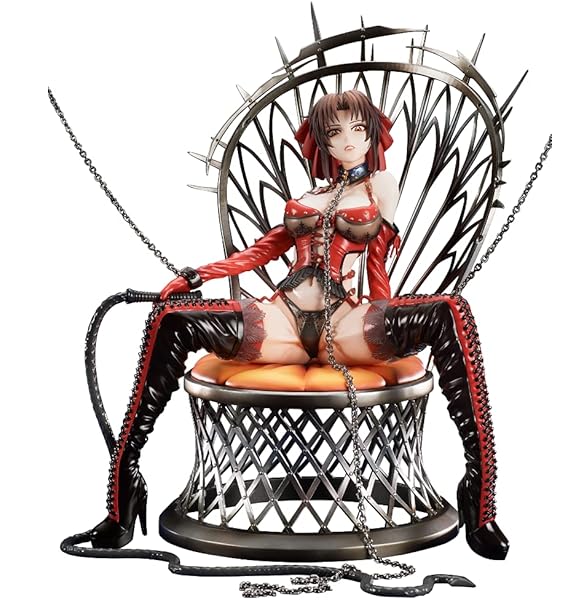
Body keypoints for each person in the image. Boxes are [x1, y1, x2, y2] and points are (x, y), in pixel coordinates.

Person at [89, 90, 509, 560]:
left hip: (346, 322)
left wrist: (385, 314)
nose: (347, 140)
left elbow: (377, 258)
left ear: (372, 134)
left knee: (451, 309)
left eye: (358, 129)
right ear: (320, 141)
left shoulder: (381, 186)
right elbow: (263, 250)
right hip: (283, 319)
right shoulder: (308, 196)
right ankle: (124, 488)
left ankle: (480, 495)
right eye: (334, 132)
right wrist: (196, 276)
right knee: (171, 318)